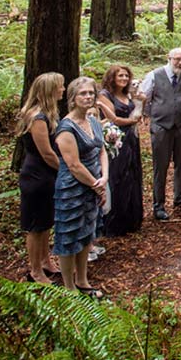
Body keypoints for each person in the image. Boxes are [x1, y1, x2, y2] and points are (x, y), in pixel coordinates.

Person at [53, 77, 109, 298]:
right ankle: (69, 287)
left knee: (87, 232)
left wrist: (104, 178)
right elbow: (74, 165)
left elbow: (102, 150)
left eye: (91, 93)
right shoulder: (66, 127)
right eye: (83, 94)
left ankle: (83, 279)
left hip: (94, 183)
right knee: (69, 235)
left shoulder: (93, 120)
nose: (88, 97)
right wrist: (97, 186)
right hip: (72, 188)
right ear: (73, 98)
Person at [17, 72, 65, 283]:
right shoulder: (37, 117)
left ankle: (46, 260)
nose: (63, 90)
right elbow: (46, 153)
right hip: (37, 176)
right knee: (36, 225)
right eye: (60, 86)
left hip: (46, 176)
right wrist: (65, 168)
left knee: (46, 221)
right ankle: (35, 271)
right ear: (49, 90)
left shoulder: (48, 113)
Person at [140, 47, 181, 221]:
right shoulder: (154, 75)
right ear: (169, 58)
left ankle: (179, 199)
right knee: (160, 166)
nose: (179, 62)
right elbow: (145, 97)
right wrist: (154, 115)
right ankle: (159, 205)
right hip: (161, 127)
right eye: (176, 59)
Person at [97, 64, 146, 236]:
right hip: (115, 139)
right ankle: (114, 222)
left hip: (131, 138)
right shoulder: (105, 95)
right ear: (112, 77)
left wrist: (141, 103)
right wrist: (132, 122)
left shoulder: (127, 94)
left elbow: (137, 109)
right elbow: (114, 119)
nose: (124, 79)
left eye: (126, 76)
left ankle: (131, 218)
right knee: (117, 175)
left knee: (131, 175)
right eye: (120, 76)